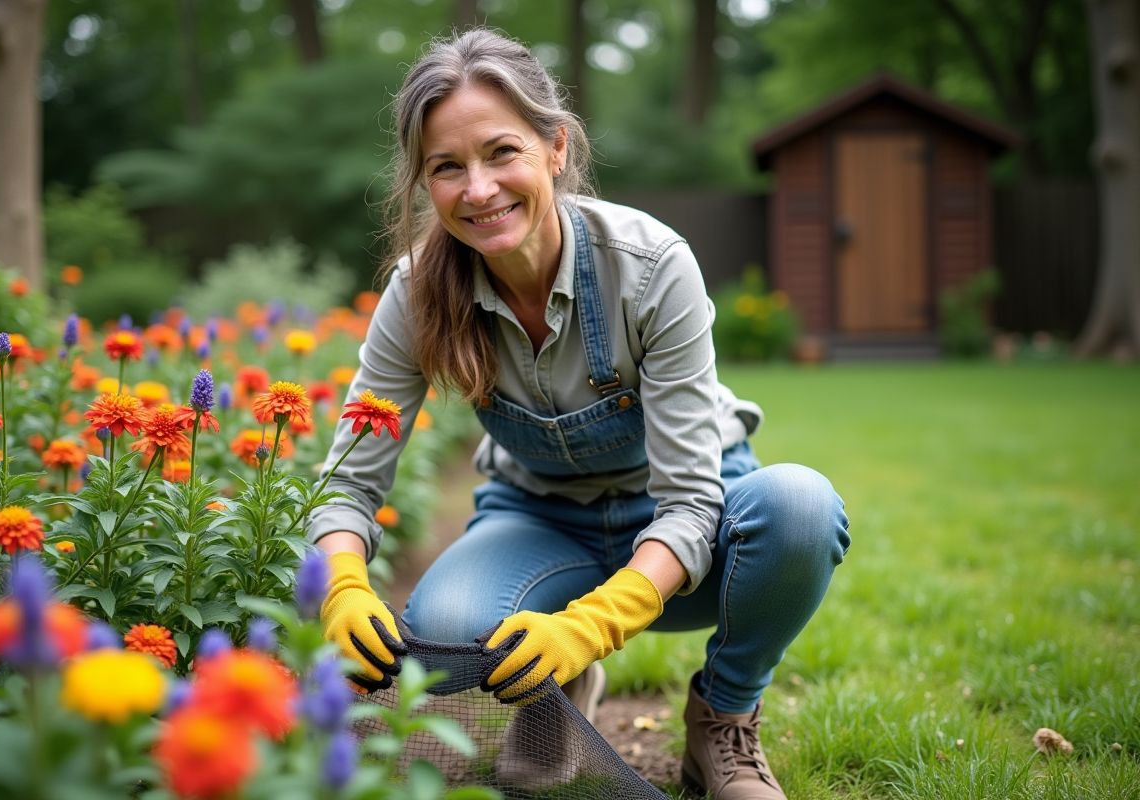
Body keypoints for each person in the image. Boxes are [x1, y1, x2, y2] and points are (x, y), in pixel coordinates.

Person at [311, 28, 850, 800]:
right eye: (447, 167)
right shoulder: (416, 293)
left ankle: (722, 720)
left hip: (687, 526)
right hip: (540, 521)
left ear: (555, 148)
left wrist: (590, 624)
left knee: (801, 507)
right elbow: (348, 480)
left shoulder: (652, 266)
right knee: (451, 621)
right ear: (424, 183)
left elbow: (695, 505)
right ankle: (554, 701)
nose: (479, 188)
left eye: (502, 152)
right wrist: (341, 583)